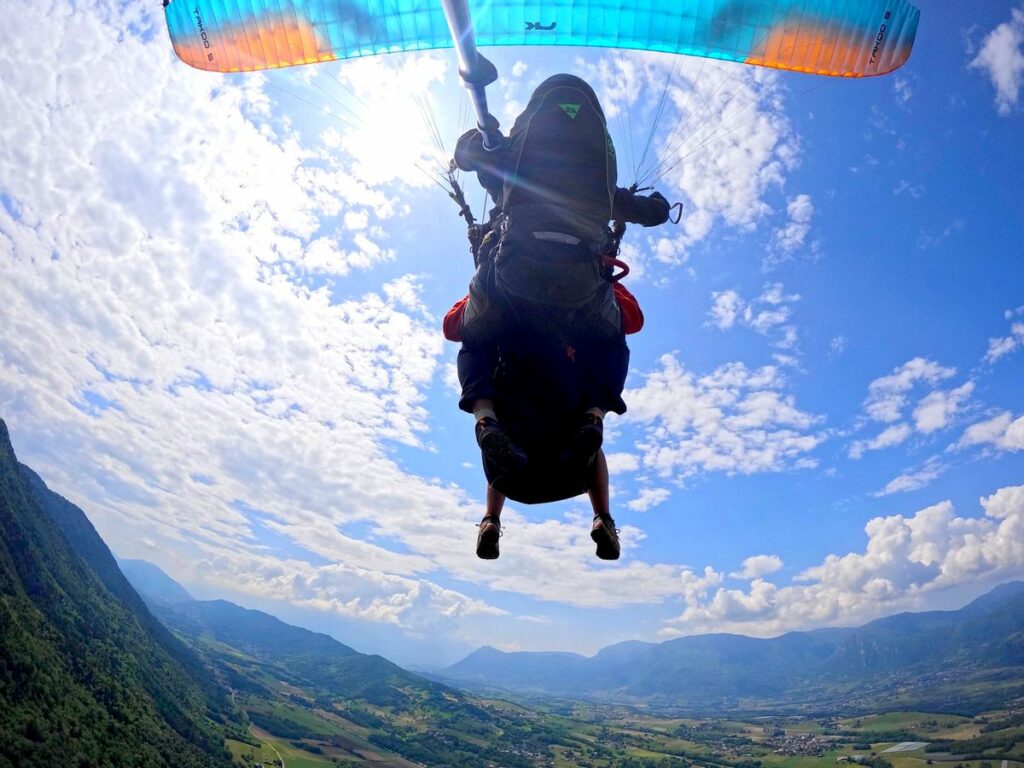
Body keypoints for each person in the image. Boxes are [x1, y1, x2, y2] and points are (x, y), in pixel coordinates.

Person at [445, 74, 672, 560]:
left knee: (476, 339)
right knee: (610, 345)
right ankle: (595, 418)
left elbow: (467, 156)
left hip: (513, 276)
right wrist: (655, 206)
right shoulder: (603, 191)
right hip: (581, 285)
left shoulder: (511, 161)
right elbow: (650, 213)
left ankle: (485, 431)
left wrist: (482, 139)